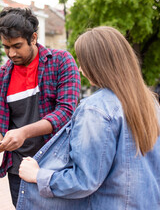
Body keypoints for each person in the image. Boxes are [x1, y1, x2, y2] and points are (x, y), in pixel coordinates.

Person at [17, 26, 160, 210]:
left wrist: (38, 175)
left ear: (98, 64)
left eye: (83, 61)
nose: (79, 68)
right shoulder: (151, 104)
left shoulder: (95, 108)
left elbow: (84, 180)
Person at [0, 7, 81, 207]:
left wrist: (24, 133)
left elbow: (66, 112)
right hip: (18, 170)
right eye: (5, 47)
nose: (11, 53)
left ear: (34, 38)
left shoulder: (62, 62)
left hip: (57, 167)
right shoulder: (0, 78)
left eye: (17, 46)